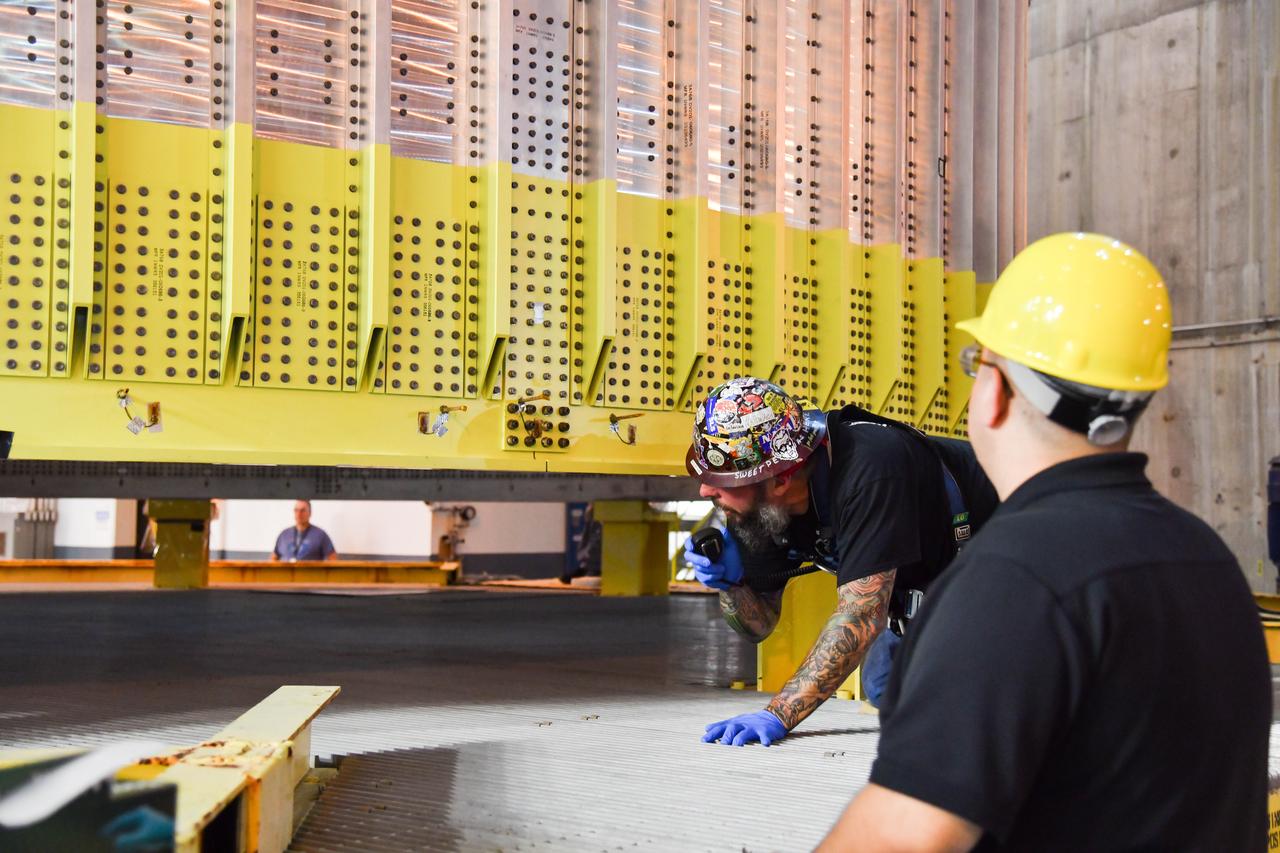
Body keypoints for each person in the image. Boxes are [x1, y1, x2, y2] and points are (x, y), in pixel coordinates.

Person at [818, 233, 1272, 851]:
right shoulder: (1203, 556)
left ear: (997, 390)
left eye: (978, 364)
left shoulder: (1012, 579)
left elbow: (903, 838)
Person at [683, 376, 998, 746]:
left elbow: (862, 614)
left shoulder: (870, 468)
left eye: (723, 479)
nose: (705, 489)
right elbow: (760, 625)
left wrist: (778, 714)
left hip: (1003, 559)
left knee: (973, 716)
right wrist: (733, 585)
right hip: (920, 588)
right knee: (883, 689)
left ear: (782, 479)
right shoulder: (761, 505)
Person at [271, 500, 338, 562]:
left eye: (303, 510)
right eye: (296, 510)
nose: (299, 514)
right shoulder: (284, 535)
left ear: (310, 513)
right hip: (286, 574)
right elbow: (274, 558)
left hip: (311, 574)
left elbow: (333, 559)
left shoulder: (320, 535)